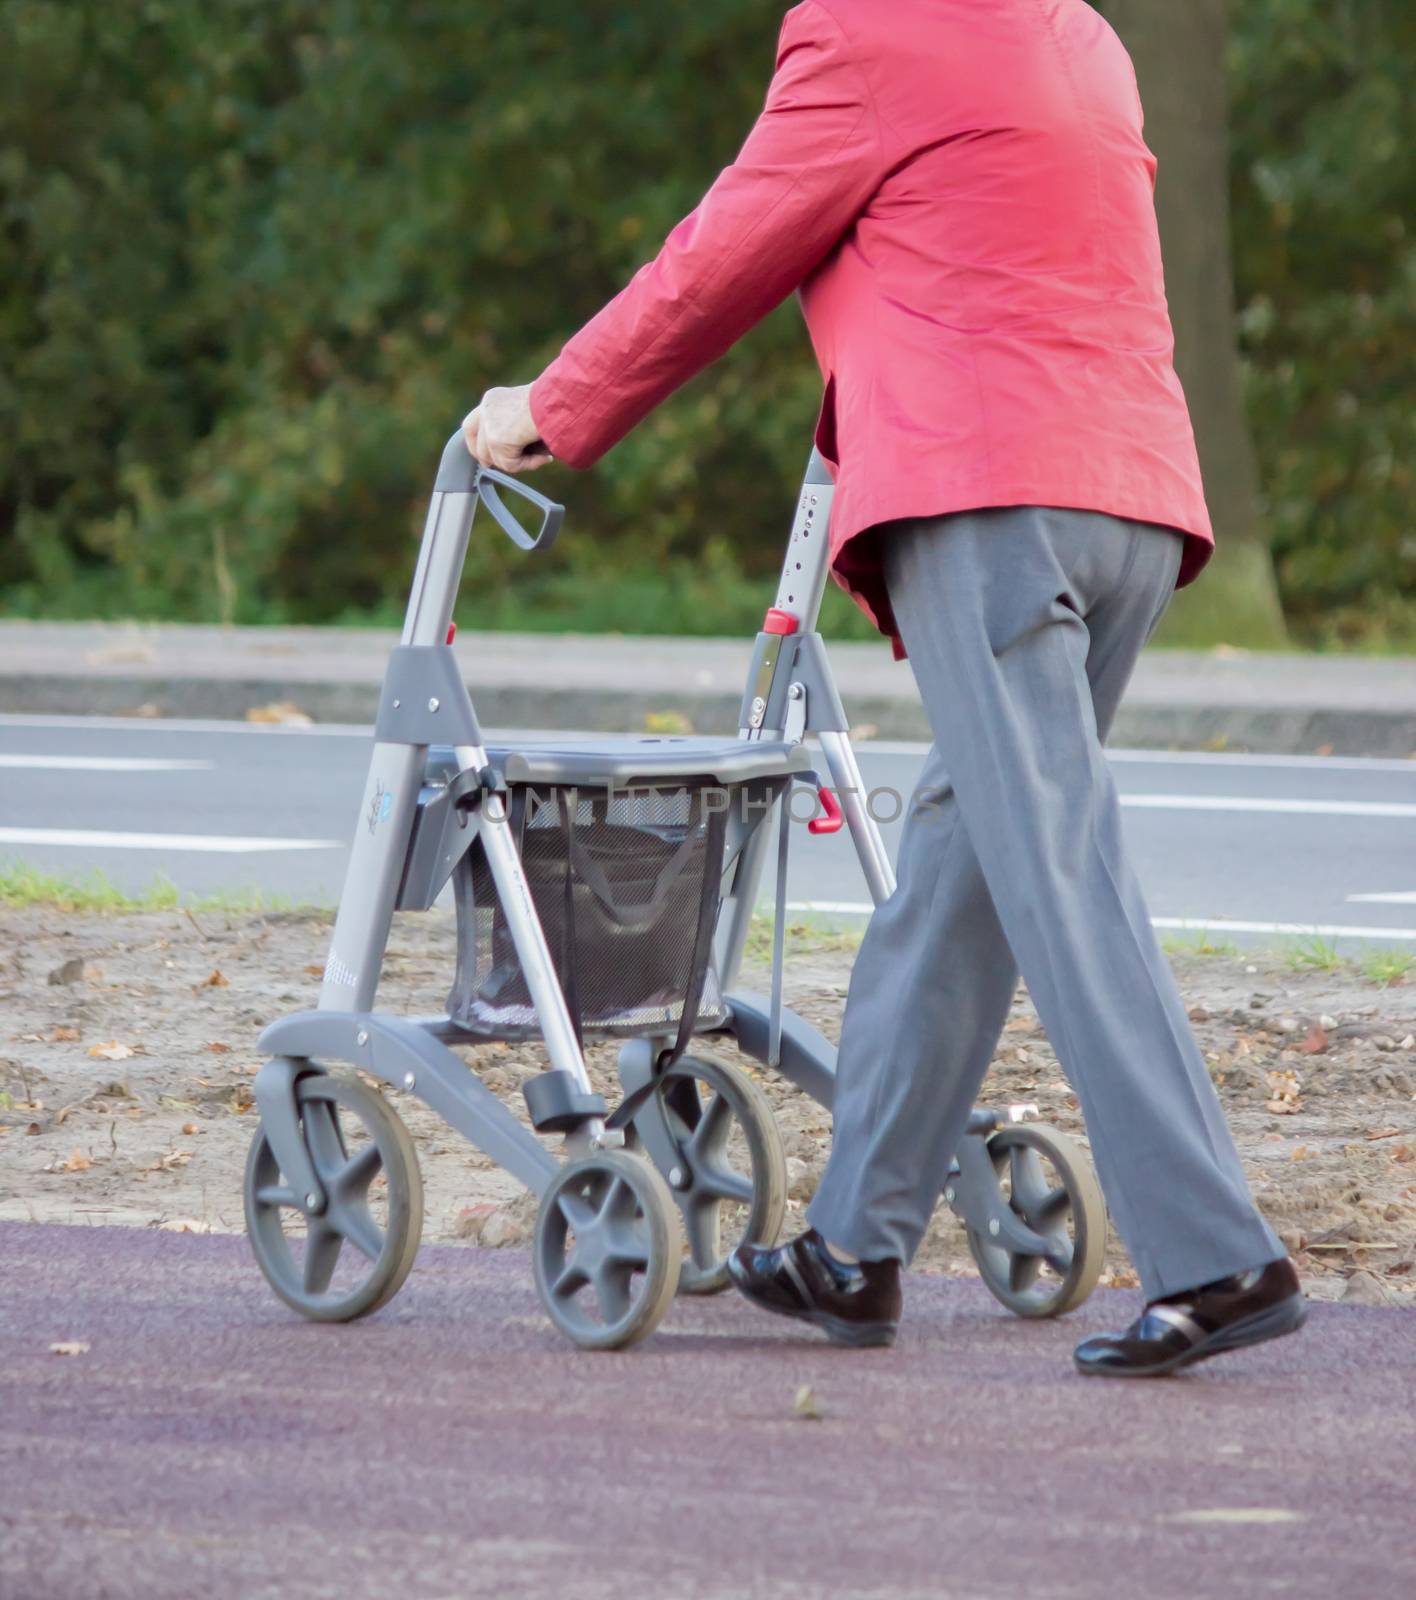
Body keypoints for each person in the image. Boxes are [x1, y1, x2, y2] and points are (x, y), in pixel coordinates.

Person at [462, 0, 1306, 1376]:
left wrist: (551, 406)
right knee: (964, 870)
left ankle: (1217, 1251)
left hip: (995, 500)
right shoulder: (1079, 36)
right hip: (1133, 502)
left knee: (1057, 870)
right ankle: (856, 1248)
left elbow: (718, 258)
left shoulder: (864, 35)